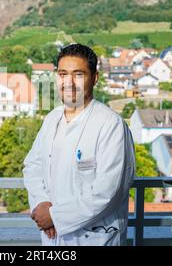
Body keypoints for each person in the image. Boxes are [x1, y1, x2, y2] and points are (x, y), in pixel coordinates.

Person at [23, 43, 136, 246]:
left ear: (95, 78)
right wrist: (42, 205)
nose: (69, 82)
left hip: (96, 239)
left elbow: (108, 191)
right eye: (63, 74)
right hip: (53, 238)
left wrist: (56, 217)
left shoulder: (110, 125)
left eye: (79, 74)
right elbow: (33, 166)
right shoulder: (52, 119)